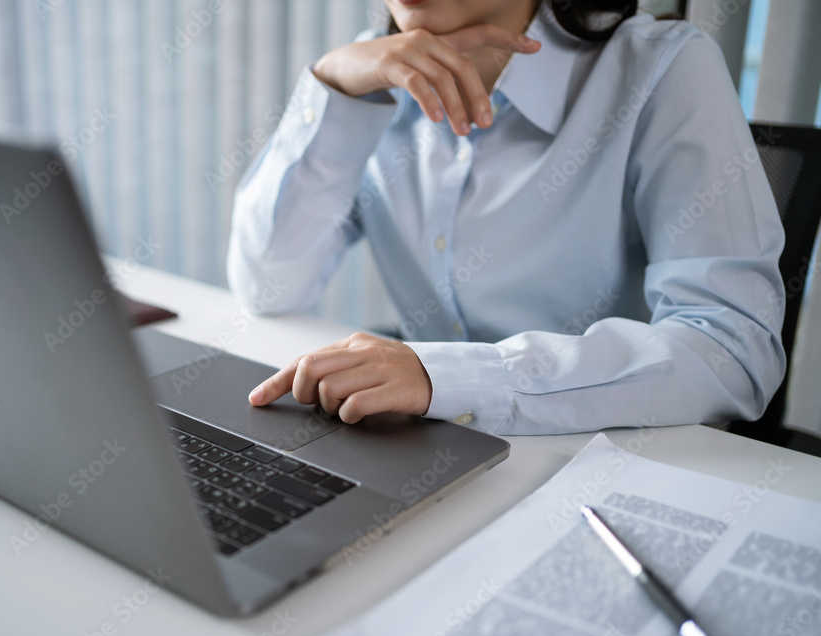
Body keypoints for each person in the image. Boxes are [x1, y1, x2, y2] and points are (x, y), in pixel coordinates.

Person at [226, 0, 786, 435]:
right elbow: (268, 286)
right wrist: (332, 88)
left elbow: (732, 349)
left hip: (602, 462)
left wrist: (449, 379)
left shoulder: (663, 68)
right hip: (422, 447)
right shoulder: (372, 77)